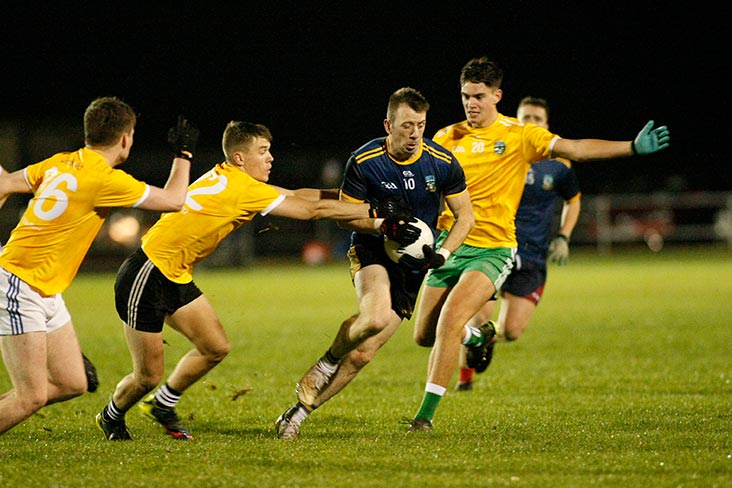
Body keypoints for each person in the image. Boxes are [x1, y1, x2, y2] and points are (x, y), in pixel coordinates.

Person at [407, 56, 670, 431]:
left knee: (450, 321)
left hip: (493, 248)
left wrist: (630, 147)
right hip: (450, 246)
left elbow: (576, 149)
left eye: (479, 96)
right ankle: (478, 334)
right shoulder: (447, 137)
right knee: (423, 335)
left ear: (497, 95)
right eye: (466, 96)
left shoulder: (520, 136)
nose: (471, 103)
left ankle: (424, 418)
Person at [95, 120, 395, 441]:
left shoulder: (229, 177)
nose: (271, 158)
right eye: (263, 151)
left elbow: (298, 195)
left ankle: (163, 405)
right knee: (147, 376)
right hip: (147, 274)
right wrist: (374, 208)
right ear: (240, 158)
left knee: (215, 347)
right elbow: (312, 211)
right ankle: (111, 416)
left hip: (173, 274)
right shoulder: (241, 188)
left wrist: (350, 196)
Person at [274, 86, 474, 440]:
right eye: (406, 126)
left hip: (412, 266)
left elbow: (465, 217)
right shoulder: (365, 161)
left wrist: (443, 254)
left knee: (364, 354)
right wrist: (383, 224)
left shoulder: (441, 162)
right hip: (372, 251)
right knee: (376, 316)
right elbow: (344, 217)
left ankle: (298, 413)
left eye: (421, 125)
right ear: (388, 124)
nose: (414, 134)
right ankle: (329, 358)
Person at [0, 96, 196, 436]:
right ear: (125, 138)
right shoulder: (105, 179)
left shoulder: (61, 162)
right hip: (18, 281)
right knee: (31, 397)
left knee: (71, 382)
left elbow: (6, 183)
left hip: (42, 287)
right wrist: (184, 155)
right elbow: (175, 200)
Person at [455, 96, 582, 391]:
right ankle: (465, 381)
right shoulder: (500, 152)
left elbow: (573, 200)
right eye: (525, 117)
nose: (531, 123)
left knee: (511, 331)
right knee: (477, 313)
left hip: (532, 256)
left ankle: (488, 337)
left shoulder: (559, 164)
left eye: (537, 119)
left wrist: (564, 235)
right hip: (493, 247)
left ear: (547, 126)